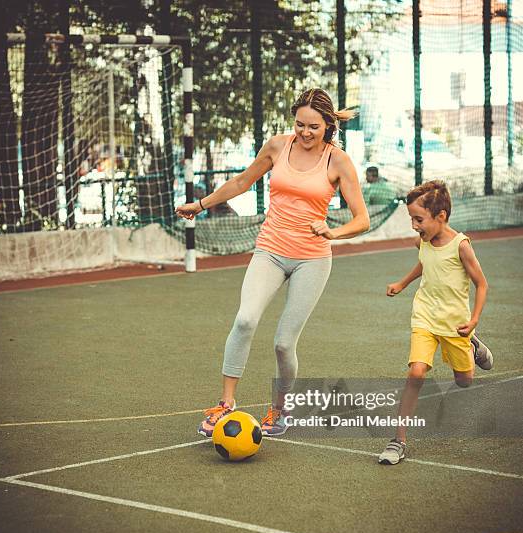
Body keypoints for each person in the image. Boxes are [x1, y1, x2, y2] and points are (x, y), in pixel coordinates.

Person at [176, 88, 370, 437]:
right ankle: (225, 405)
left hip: (312, 258)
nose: (305, 133)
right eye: (299, 125)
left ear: (328, 125)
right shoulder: (278, 146)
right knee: (245, 319)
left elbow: (362, 220)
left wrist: (332, 232)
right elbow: (241, 181)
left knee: (283, 342)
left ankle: (280, 411)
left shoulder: (337, 161)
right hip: (270, 249)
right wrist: (200, 204)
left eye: (314, 126)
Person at [379, 180, 493, 465]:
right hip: (425, 317)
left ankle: (473, 345)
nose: (414, 226)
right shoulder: (424, 241)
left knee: (464, 381)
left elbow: (481, 284)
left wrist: (474, 319)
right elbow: (423, 261)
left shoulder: (461, 246)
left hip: (456, 324)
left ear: (440, 216)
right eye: (411, 219)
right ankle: (398, 440)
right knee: (416, 372)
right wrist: (403, 283)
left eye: (418, 219)